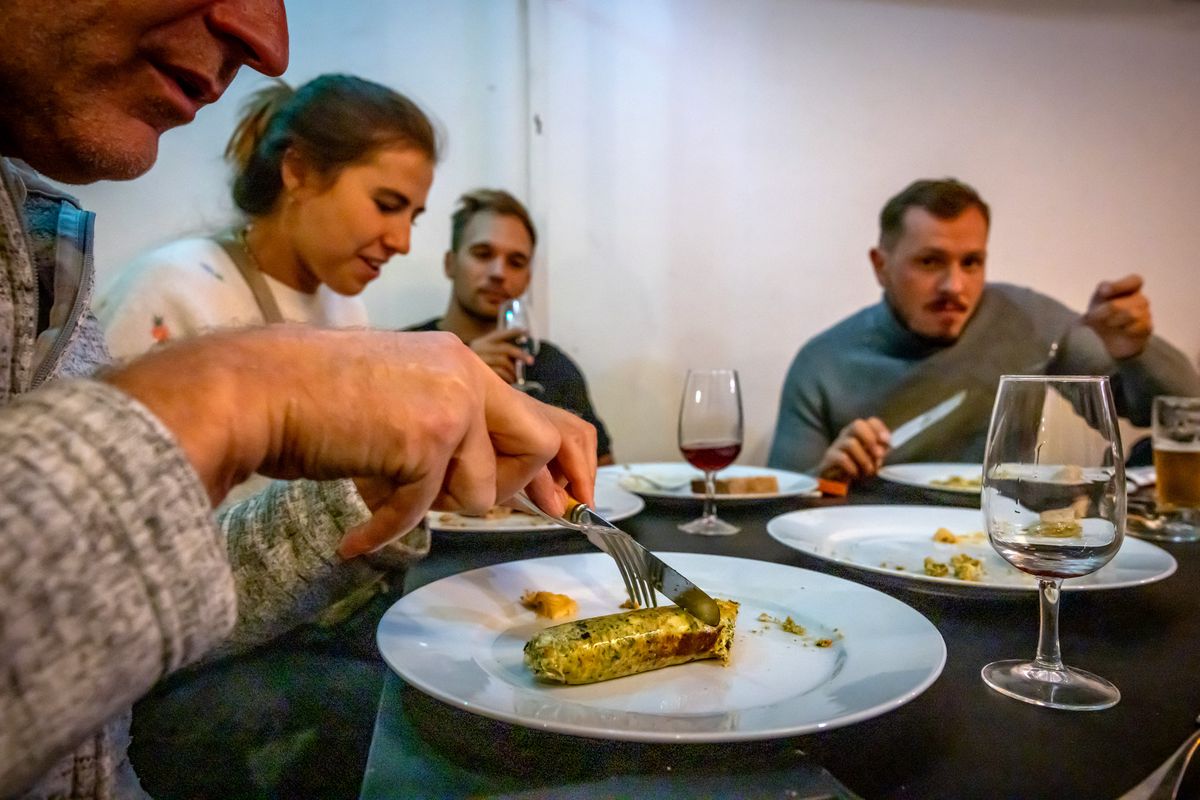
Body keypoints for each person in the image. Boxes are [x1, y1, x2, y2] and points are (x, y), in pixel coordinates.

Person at [0, 3, 596, 800]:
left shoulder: (339, 310)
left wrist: (370, 492)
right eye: (387, 204)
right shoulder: (174, 286)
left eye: (415, 215)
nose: (268, 41)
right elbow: (102, 616)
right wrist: (238, 389)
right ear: (299, 171)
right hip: (203, 685)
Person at [768, 177, 1200, 483]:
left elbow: (1182, 414)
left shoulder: (1031, 322)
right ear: (881, 266)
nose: (954, 286)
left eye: (971, 262)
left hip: (1002, 550)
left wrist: (1135, 350)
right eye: (930, 261)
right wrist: (826, 476)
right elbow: (781, 503)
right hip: (868, 556)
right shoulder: (823, 362)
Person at [408, 188, 614, 463]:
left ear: (527, 278)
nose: (498, 273)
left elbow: (602, 469)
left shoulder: (552, 367)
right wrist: (459, 374)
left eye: (515, 262)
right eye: (482, 254)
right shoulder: (403, 355)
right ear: (450, 263)